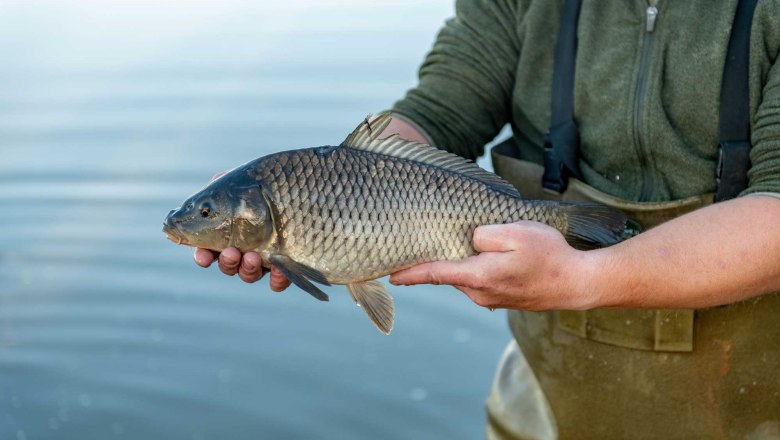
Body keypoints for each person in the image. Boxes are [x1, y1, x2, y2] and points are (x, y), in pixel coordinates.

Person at [195, 1, 780, 438]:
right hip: (549, 377)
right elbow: (440, 107)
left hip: (756, 388)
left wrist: (583, 277)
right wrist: (349, 187)